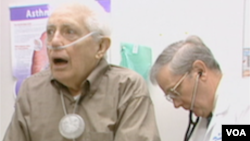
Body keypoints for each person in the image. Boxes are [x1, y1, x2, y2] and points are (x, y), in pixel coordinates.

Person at [3, 0, 161, 141]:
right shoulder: (31, 89)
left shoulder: (126, 87)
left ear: (100, 46)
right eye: (50, 32)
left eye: (69, 32)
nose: (55, 41)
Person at [150, 35, 250, 141]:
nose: (176, 104)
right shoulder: (205, 120)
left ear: (200, 71)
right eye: (170, 97)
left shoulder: (244, 101)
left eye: (175, 92)